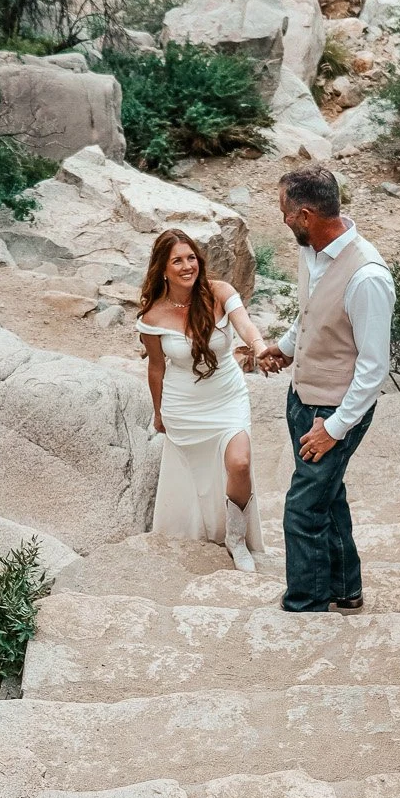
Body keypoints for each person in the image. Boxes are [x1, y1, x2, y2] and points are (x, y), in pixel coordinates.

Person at [257, 166, 394, 613]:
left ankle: (306, 605)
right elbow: (311, 313)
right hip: (303, 397)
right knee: (327, 496)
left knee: (302, 508)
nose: (281, 219)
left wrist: (333, 429)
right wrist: (285, 349)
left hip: (334, 411)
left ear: (305, 215)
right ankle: (345, 590)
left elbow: (373, 369)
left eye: (284, 211)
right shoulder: (312, 251)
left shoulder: (367, 277)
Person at [137, 230, 268, 573]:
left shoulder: (220, 292)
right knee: (199, 474)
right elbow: (156, 367)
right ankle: (201, 532)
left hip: (227, 397)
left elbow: (245, 325)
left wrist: (259, 347)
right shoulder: (152, 317)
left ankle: (236, 538)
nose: (187, 266)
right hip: (184, 406)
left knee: (239, 462)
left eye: (191, 257)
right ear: (163, 270)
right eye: (177, 261)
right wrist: (158, 413)